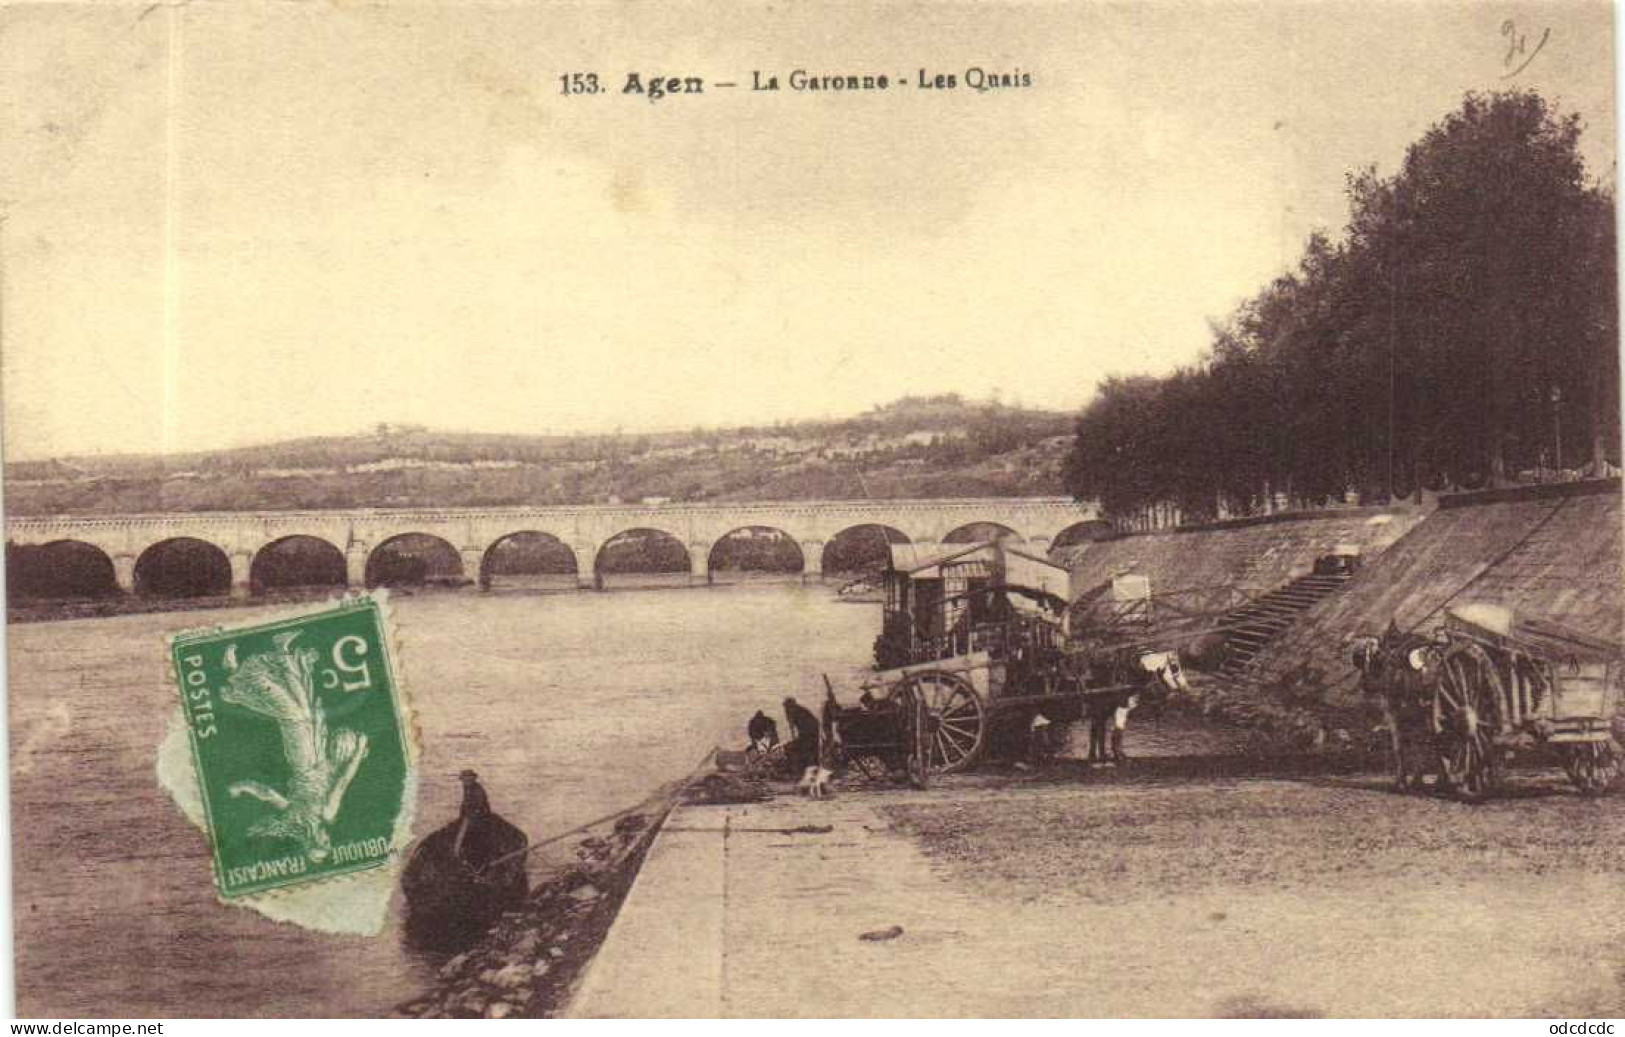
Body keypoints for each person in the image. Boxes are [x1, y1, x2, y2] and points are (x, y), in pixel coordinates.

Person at [782, 696, 821, 774]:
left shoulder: (798, 712)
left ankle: (800, 770)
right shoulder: (799, 711)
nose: (786, 710)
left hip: (809, 736)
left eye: (787, 707)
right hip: (809, 736)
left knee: (799, 750)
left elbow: (797, 726)